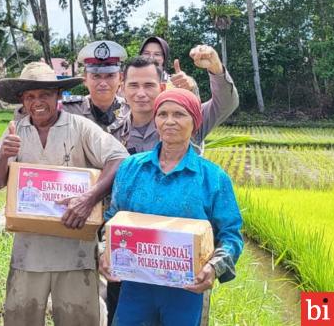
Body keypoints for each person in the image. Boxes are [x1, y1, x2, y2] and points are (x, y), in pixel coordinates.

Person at [0, 62, 129, 325]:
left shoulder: (80, 127)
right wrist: (3, 156)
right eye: (30, 96)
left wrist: (89, 198)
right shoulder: (15, 131)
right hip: (28, 252)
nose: (37, 102)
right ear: (22, 100)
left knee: (79, 320)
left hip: (75, 250)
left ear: (58, 97)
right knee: (21, 318)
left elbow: (119, 159)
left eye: (45, 95)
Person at [100, 88, 243, 326]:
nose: (169, 121)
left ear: (195, 122)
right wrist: (103, 252)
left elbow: (231, 235)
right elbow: (111, 220)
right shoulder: (131, 168)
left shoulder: (213, 178)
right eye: (163, 114)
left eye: (179, 114)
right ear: (155, 120)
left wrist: (213, 268)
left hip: (186, 290)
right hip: (135, 286)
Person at [122, 45, 239, 154]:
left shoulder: (185, 122)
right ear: (123, 89)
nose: (141, 93)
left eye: (149, 85)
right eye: (133, 85)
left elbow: (225, 104)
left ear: (162, 88)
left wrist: (215, 67)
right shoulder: (112, 131)